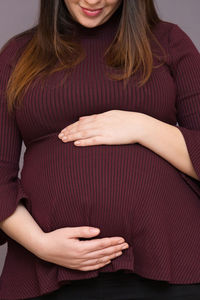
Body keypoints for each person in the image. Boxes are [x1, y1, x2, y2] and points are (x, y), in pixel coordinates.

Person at [0, 0, 200, 299]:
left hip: (173, 267)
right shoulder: (17, 54)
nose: (92, 0)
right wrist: (41, 245)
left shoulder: (169, 41)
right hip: (47, 273)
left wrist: (142, 127)